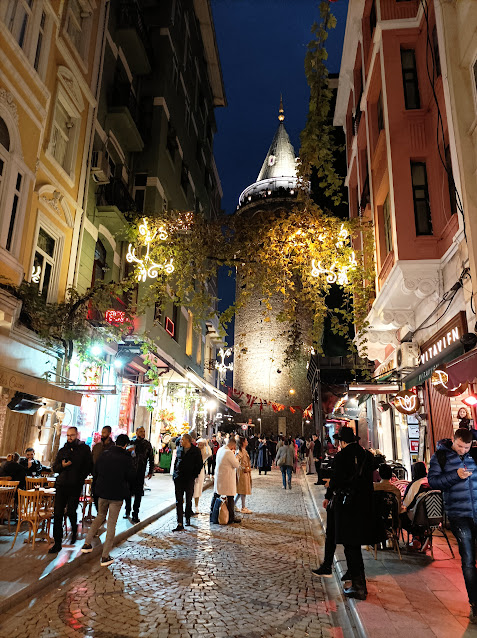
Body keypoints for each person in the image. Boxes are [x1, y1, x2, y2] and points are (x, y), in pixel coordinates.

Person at [428, 428, 477, 623]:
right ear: (453, 440)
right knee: (468, 559)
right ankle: (475, 604)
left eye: (466, 447)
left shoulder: (474, 454)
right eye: (459, 446)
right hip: (458, 515)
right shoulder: (441, 456)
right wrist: (456, 475)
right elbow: (433, 482)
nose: (463, 450)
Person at [331, 426, 374, 600]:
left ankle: (359, 586)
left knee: (350, 546)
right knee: (356, 545)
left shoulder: (341, 457)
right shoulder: (367, 455)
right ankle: (358, 579)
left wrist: (330, 495)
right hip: (365, 506)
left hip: (347, 505)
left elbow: (335, 481)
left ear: (341, 442)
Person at [81, 434, 134, 566]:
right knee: (111, 524)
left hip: (102, 492)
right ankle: (105, 556)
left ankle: (87, 543)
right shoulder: (126, 458)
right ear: (126, 445)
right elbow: (131, 476)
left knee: (99, 516)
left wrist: (95, 489)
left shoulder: (104, 454)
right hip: (117, 494)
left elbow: (95, 471)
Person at [49, 427, 93, 553]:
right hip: (61, 485)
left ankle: (74, 530)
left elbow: (88, 466)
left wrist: (80, 477)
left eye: (72, 435)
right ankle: (58, 542)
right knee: (57, 513)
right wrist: (62, 466)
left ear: (77, 435)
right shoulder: (63, 450)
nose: (69, 438)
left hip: (75, 485)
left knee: (71, 511)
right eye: (68, 435)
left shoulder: (84, 449)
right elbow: (55, 467)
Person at [172, 434, 203, 531]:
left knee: (188, 499)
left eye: (182, 440)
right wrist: (174, 475)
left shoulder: (196, 451)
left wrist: (194, 475)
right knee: (179, 501)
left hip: (189, 479)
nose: (180, 441)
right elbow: (176, 462)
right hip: (179, 478)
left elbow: (199, 464)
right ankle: (179, 523)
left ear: (187, 441)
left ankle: (188, 518)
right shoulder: (179, 449)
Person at [124, 426, 154, 523]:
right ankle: (127, 510)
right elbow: (126, 455)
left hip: (140, 472)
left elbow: (151, 458)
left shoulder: (147, 444)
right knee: (128, 492)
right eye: (141, 431)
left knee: (138, 494)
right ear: (136, 432)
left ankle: (135, 513)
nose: (143, 433)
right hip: (130, 472)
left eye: (144, 431)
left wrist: (150, 471)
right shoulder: (131, 443)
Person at [211, 437, 241, 524]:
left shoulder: (221, 449)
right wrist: (237, 458)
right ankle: (231, 517)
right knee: (230, 496)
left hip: (220, 477)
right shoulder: (229, 453)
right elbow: (236, 464)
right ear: (232, 444)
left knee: (217, 494)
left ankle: (213, 513)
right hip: (227, 478)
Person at [193, 438, 212, 514]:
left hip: (200, 471)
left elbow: (209, 453)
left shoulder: (204, 453)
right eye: (198, 444)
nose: (199, 446)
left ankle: (196, 506)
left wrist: (207, 445)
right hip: (192, 470)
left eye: (201, 444)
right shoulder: (194, 451)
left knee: (197, 488)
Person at [235, 436, 252, 512]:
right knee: (242, 490)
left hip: (245, 472)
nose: (247, 442)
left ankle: (233, 505)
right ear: (243, 442)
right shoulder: (240, 452)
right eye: (246, 440)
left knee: (241, 491)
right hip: (242, 473)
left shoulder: (244, 450)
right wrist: (242, 467)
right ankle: (243, 507)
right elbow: (236, 461)